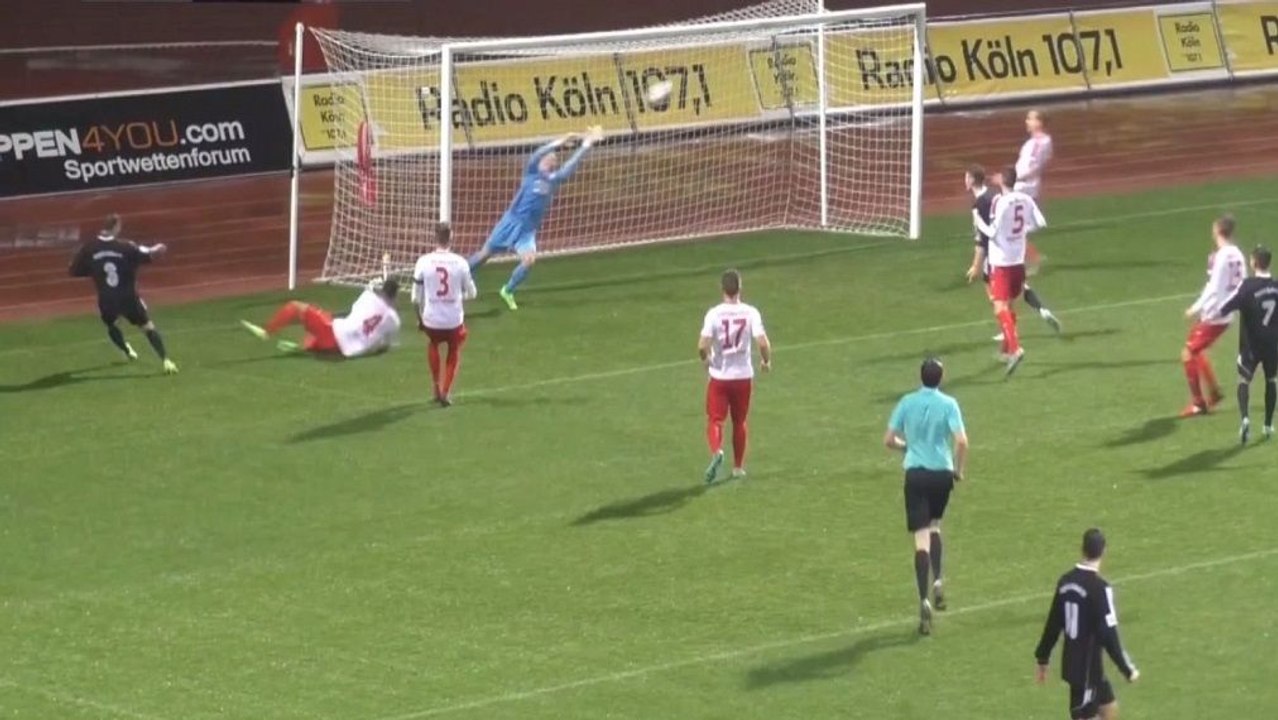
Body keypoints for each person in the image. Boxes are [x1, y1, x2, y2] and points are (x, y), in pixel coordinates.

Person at [468, 125, 604, 310]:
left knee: (529, 260)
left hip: (527, 230)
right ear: (542, 161)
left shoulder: (554, 179)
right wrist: (562, 140)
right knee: (484, 255)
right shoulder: (532, 171)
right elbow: (540, 151)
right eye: (550, 155)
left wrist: (586, 144)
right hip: (510, 222)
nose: (552, 156)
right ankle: (459, 276)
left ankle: (507, 290)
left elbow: (570, 166)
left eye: (554, 156)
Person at [884, 357, 968, 635]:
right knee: (935, 526)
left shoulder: (907, 402)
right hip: (942, 474)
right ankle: (939, 582)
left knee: (920, 538)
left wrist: (906, 447)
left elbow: (888, 439)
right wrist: (958, 470)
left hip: (916, 475)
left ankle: (923, 599)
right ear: (941, 378)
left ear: (921, 377)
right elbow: (961, 441)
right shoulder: (949, 404)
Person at [1034, 528, 1140, 720]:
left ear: (1081, 549)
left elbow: (1053, 623)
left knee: (1110, 708)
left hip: (1086, 668)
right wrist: (1127, 669)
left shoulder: (1065, 582)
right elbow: (1109, 635)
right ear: (1104, 551)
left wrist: (1043, 657)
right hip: (1085, 673)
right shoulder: (1100, 589)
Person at [68, 213, 178, 374]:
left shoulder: (88, 248)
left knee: (112, 325)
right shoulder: (125, 246)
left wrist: (95, 271)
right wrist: (158, 249)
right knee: (147, 327)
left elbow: (74, 270)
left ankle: (127, 351)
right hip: (128, 297)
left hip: (107, 298)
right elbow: (147, 253)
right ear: (116, 227)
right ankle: (166, 361)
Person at [964, 166, 1061, 340]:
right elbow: (1036, 223)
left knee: (998, 298)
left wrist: (976, 264)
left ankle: (1010, 334)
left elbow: (984, 236)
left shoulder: (985, 203)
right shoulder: (1001, 197)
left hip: (996, 255)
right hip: (1015, 252)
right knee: (1020, 288)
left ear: (971, 180)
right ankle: (1042, 310)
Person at [698, 269, 771, 484]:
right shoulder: (750, 312)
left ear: (722, 289)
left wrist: (706, 359)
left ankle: (717, 451)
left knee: (715, 420)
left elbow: (702, 345)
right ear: (740, 288)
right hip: (742, 376)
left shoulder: (714, 313)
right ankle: (738, 468)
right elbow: (763, 343)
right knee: (740, 422)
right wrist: (766, 361)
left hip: (720, 376)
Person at [975, 167, 1047, 375]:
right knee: (1008, 304)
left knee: (999, 307)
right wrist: (1021, 231)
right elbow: (1040, 222)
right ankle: (1007, 349)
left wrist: (979, 223)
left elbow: (993, 231)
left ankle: (1015, 348)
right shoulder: (1026, 199)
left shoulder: (1000, 201)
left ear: (1002, 182)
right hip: (1018, 262)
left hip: (1002, 263)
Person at [1180, 214, 1247, 417]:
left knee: (1188, 354)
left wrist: (1196, 307)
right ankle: (1215, 393)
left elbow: (1214, 288)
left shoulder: (1221, 256)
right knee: (1195, 351)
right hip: (1224, 312)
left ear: (1217, 230)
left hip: (1215, 313)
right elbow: (1242, 282)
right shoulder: (1237, 254)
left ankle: (1199, 403)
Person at [240, 279, 402, 359]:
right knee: (324, 317)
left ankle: (266, 332)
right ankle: (305, 348)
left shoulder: (367, 297)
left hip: (334, 335)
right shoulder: (394, 320)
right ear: (395, 296)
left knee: (296, 307)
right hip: (347, 352)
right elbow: (383, 348)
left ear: (382, 291)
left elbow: (363, 299)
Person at [1216, 244, 1278, 443]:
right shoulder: (1276, 287)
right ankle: (1268, 425)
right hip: (1273, 345)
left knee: (1244, 381)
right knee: (1272, 381)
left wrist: (1220, 310)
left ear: (1254, 263)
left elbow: (1226, 307)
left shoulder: (1247, 286)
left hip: (1251, 344)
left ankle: (1245, 419)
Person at [413, 222, 477, 407]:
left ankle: (435, 387)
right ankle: (445, 392)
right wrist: (458, 295)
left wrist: (420, 321)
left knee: (433, 343)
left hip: (431, 320)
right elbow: (472, 293)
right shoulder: (461, 263)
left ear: (435, 238)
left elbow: (415, 298)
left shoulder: (423, 261)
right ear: (451, 238)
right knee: (454, 349)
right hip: (453, 321)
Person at [1014, 109, 1053, 274]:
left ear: (1039, 123)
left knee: (1014, 227)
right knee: (1016, 227)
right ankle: (1028, 257)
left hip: (1024, 187)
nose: (1026, 122)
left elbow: (1035, 166)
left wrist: (1017, 179)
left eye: (1030, 119)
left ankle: (1033, 258)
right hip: (1024, 185)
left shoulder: (1039, 143)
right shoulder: (1036, 142)